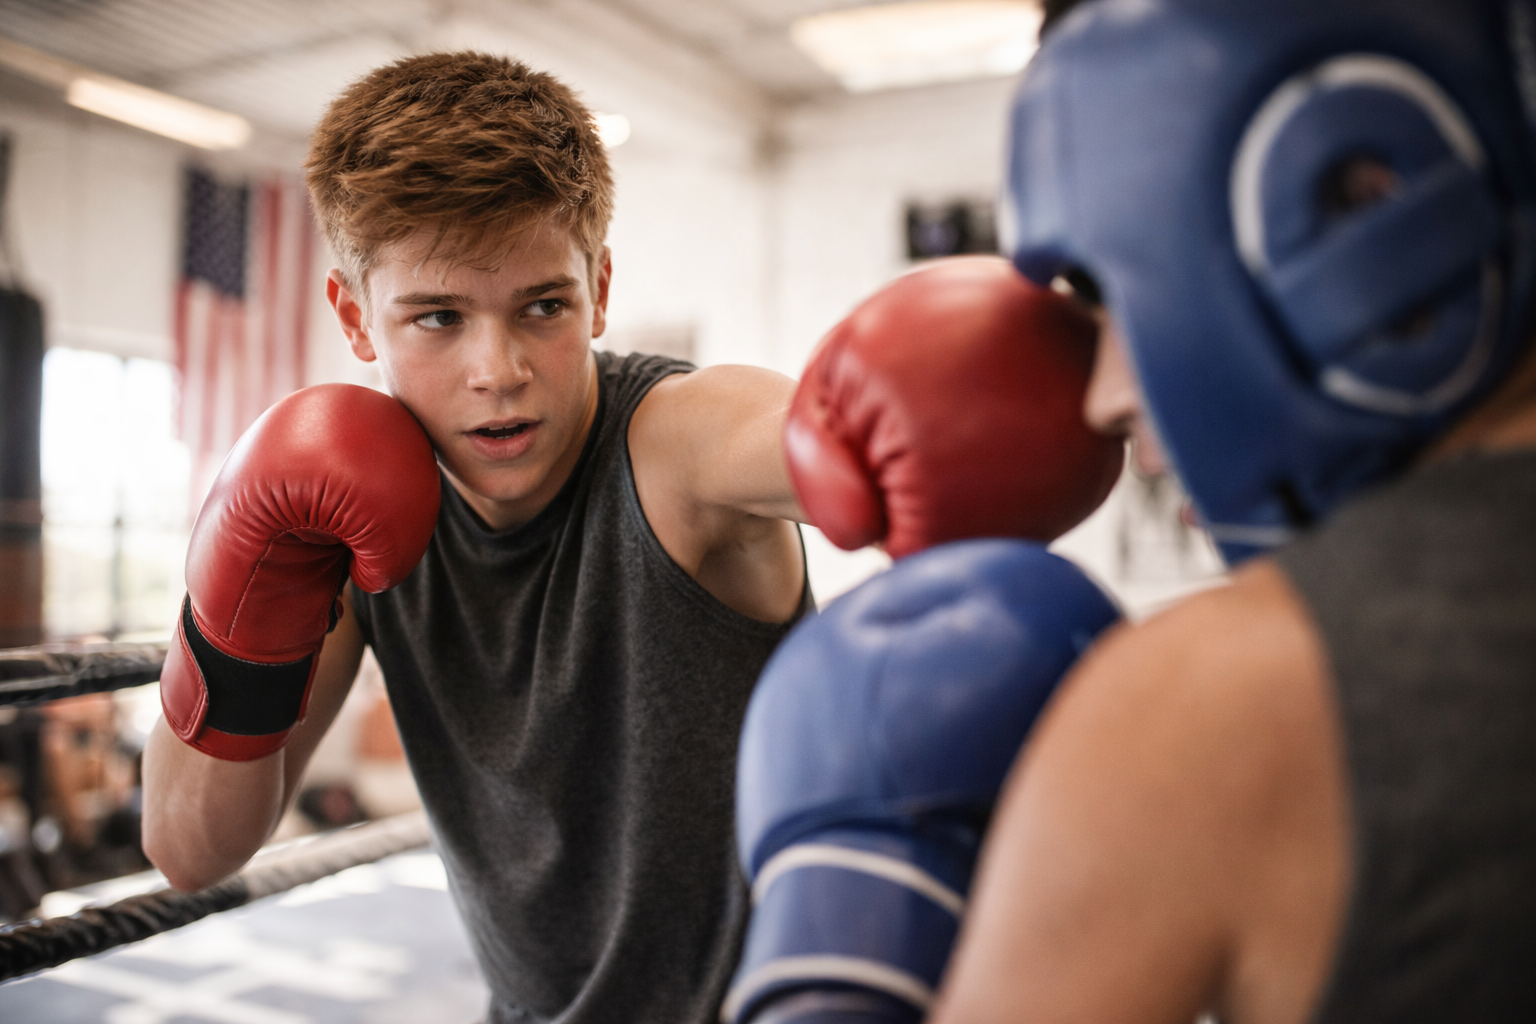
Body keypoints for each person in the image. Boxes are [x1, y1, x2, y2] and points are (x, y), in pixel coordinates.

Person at [141, 53, 810, 1024]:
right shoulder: (339, 520)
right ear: (355, 316)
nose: (497, 370)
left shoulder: (673, 445)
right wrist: (249, 592)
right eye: (438, 317)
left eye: (544, 307)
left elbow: (813, 433)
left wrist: (929, 405)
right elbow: (188, 845)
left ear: (600, 285)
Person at [930, 0, 1536, 1020]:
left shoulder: (1212, 712)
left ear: (1360, 193)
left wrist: (827, 964)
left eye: (1116, 292)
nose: (1102, 399)